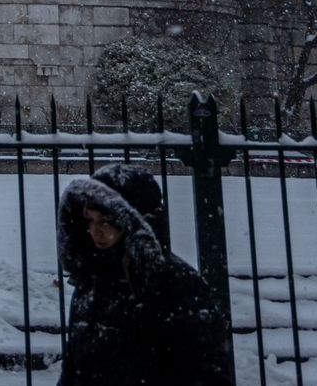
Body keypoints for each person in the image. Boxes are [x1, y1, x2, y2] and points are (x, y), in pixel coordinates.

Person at [57, 163, 234, 385]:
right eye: (90, 220)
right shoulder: (92, 281)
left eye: (106, 221)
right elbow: (74, 369)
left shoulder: (174, 284)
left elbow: (205, 371)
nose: (95, 231)